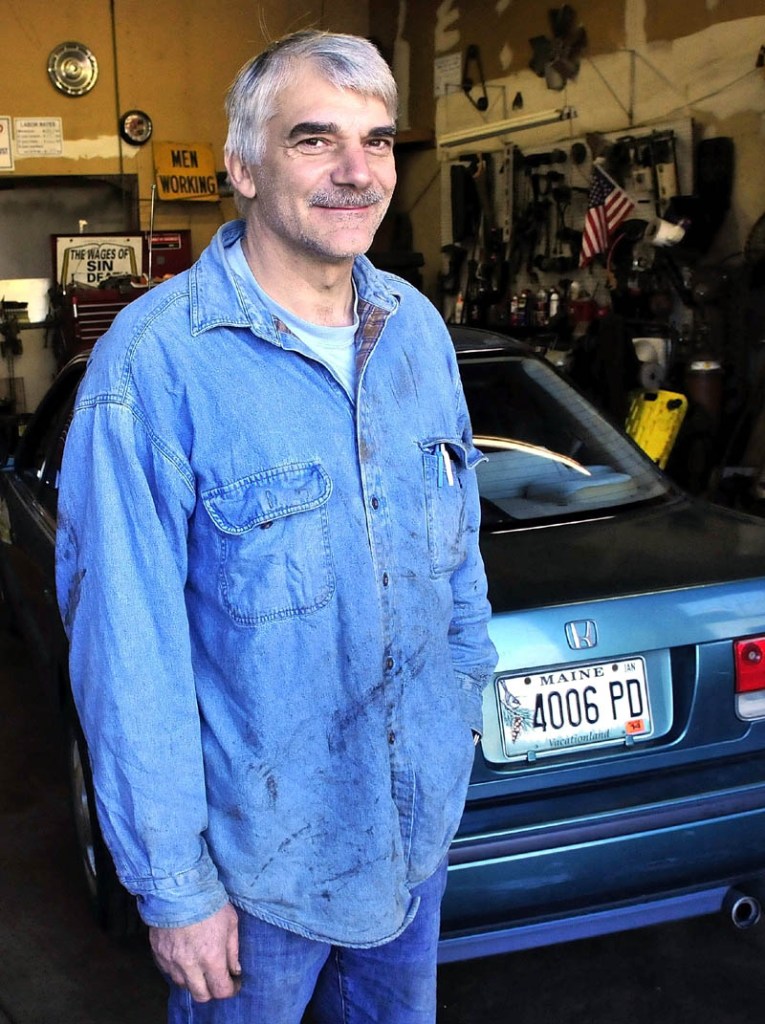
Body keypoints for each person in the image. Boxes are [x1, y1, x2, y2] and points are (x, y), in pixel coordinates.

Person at [55, 29, 496, 1024]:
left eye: (377, 141)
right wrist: (176, 888)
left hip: (406, 841)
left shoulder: (416, 331)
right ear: (242, 167)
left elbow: (459, 555)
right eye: (314, 139)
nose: (356, 171)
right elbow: (130, 648)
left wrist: (455, 707)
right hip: (254, 876)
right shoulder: (157, 366)